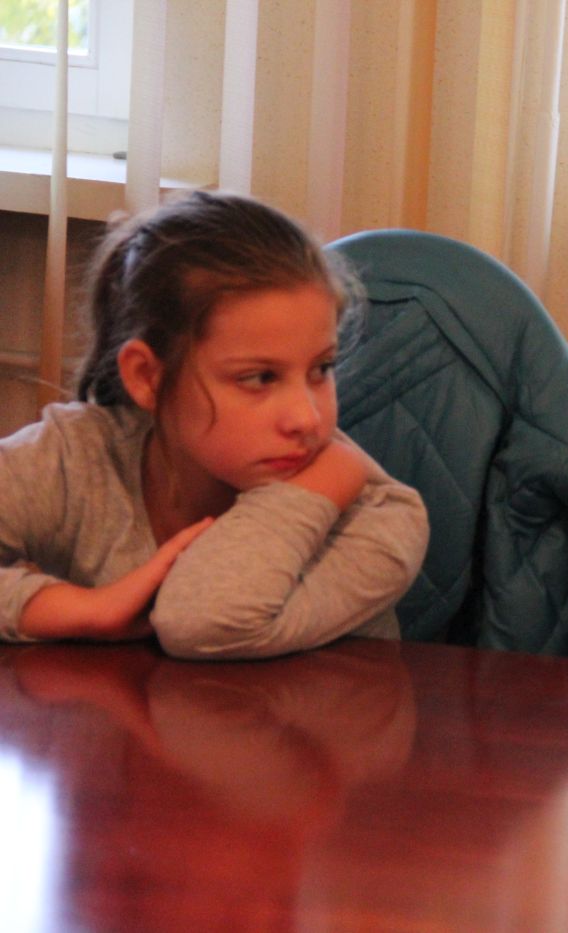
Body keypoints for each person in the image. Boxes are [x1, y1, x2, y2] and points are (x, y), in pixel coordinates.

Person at [0, 190, 429, 659]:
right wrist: (85, 609)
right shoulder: (78, 456)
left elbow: (201, 620)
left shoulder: (379, 519)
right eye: (259, 378)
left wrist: (315, 489)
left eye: (321, 369)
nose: (306, 417)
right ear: (147, 378)